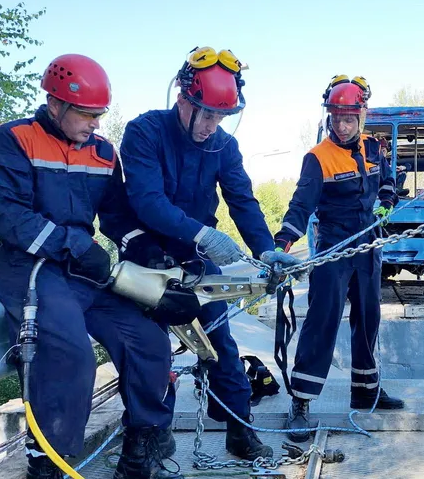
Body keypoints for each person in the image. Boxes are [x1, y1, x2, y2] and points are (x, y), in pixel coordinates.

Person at [0, 54, 176, 479]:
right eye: (87, 115)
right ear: (56, 105)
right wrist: (72, 243)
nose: (95, 125)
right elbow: (9, 216)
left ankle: (139, 453)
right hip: (30, 271)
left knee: (148, 342)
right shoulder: (13, 139)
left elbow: (118, 216)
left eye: (99, 115)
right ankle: (49, 465)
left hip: (82, 273)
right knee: (71, 356)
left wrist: (150, 254)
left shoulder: (103, 152)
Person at [118, 46, 303, 460]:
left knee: (219, 341)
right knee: (151, 349)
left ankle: (239, 428)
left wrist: (267, 250)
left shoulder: (222, 146)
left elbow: (242, 200)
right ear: (182, 98)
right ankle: (151, 438)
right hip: (146, 257)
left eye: (221, 117)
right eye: (205, 114)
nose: (211, 126)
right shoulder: (145, 132)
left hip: (195, 259)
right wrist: (202, 233)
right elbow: (148, 201)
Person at [265, 75, 405, 443]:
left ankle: (365, 389)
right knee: (323, 319)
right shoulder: (317, 158)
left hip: (368, 245)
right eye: (336, 118)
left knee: (368, 316)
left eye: (349, 118)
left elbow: (388, 181)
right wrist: (283, 243)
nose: (341, 126)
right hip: (333, 247)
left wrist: (387, 202)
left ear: (362, 116)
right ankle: (301, 401)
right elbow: (301, 205)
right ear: (329, 117)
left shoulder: (375, 148)